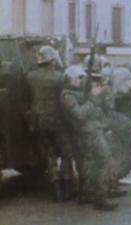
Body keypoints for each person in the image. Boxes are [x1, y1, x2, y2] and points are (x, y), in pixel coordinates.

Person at [60, 67, 118, 211]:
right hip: (86, 132)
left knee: (91, 163)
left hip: (92, 131)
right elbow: (78, 115)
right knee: (103, 160)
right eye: (78, 78)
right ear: (70, 78)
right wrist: (92, 98)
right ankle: (100, 197)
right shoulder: (67, 95)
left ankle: (89, 193)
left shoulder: (78, 93)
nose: (81, 81)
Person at [26, 46, 74, 202]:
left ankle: (56, 190)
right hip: (57, 120)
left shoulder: (30, 76)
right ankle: (67, 189)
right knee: (66, 153)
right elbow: (65, 99)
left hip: (39, 121)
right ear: (52, 60)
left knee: (49, 155)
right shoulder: (60, 77)